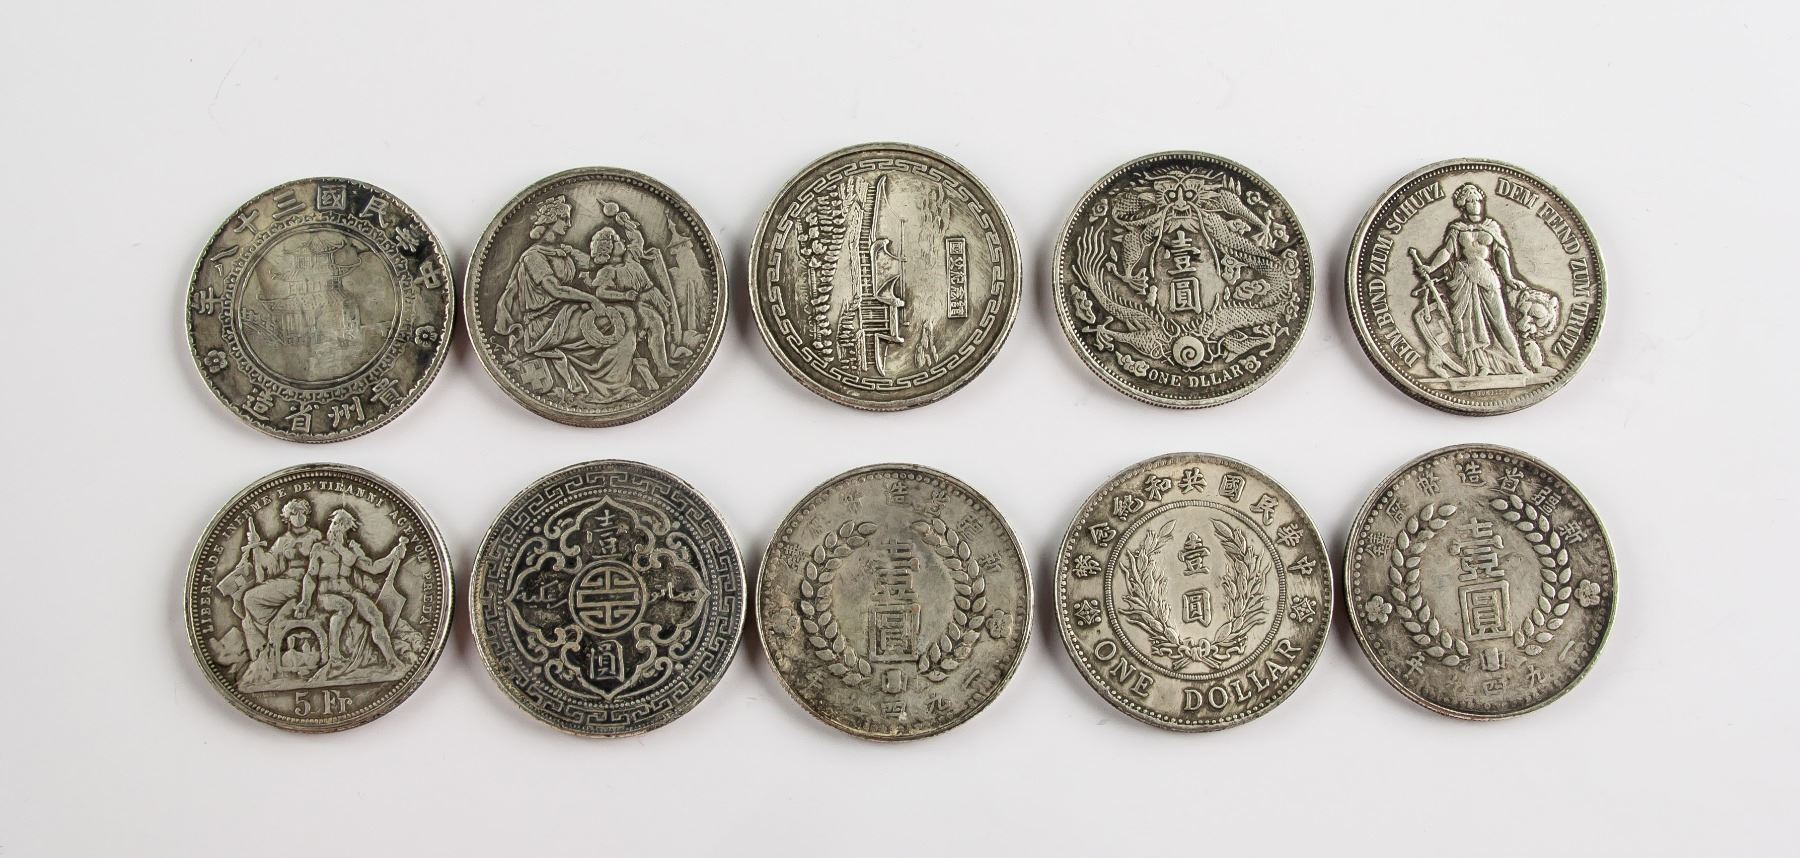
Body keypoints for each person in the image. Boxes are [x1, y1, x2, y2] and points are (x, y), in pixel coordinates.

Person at [1410, 183, 1530, 376]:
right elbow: (1447, 251)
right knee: (1470, 325)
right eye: (1470, 201)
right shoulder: (1457, 228)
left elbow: (1500, 253)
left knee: (1501, 322)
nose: (1475, 204)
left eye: (1477, 200)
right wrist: (1431, 267)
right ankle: (1482, 365)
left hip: (1486, 275)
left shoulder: (1491, 226)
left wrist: (1508, 278)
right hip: (1464, 277)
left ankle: (1519, 363)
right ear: (1463, 205)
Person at [493, 195, 606, 393]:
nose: (569, 224)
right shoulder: (533, 257)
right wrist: (591, 299)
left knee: (613, 317)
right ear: (551, 221)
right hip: (544, 322)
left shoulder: (561, 251)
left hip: (563, 312)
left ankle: (608, 382)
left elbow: (594, 263)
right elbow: (555, 289)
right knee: (604, 324)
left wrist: (611, 241)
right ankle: (606, 383)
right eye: (564, 219)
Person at [298, 509, 405, 670]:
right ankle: (334, 656)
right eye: (335, 523)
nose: (335, 528)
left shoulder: (352, 550)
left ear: (346, 529)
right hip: (326, 595)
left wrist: (392, 555)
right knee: (345, 606)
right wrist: (305, 601)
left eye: (341, 525)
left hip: (349, 592)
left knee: (376, 615)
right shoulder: (319, 548)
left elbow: (373, 568)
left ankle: (391, 659)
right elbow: (310, 576)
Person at [238, 498, 322, 660]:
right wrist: (256, 547)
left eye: (302, 512)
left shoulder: (316, 536)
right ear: (288, 517)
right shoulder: (283, 540)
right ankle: (264, 641)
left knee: (251, 597)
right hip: (286, 581)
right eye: (294, 513)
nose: (299, 516)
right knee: (250, 598)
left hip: (307, 583)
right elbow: (270, 565)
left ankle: (270, 640)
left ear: (307, 514)